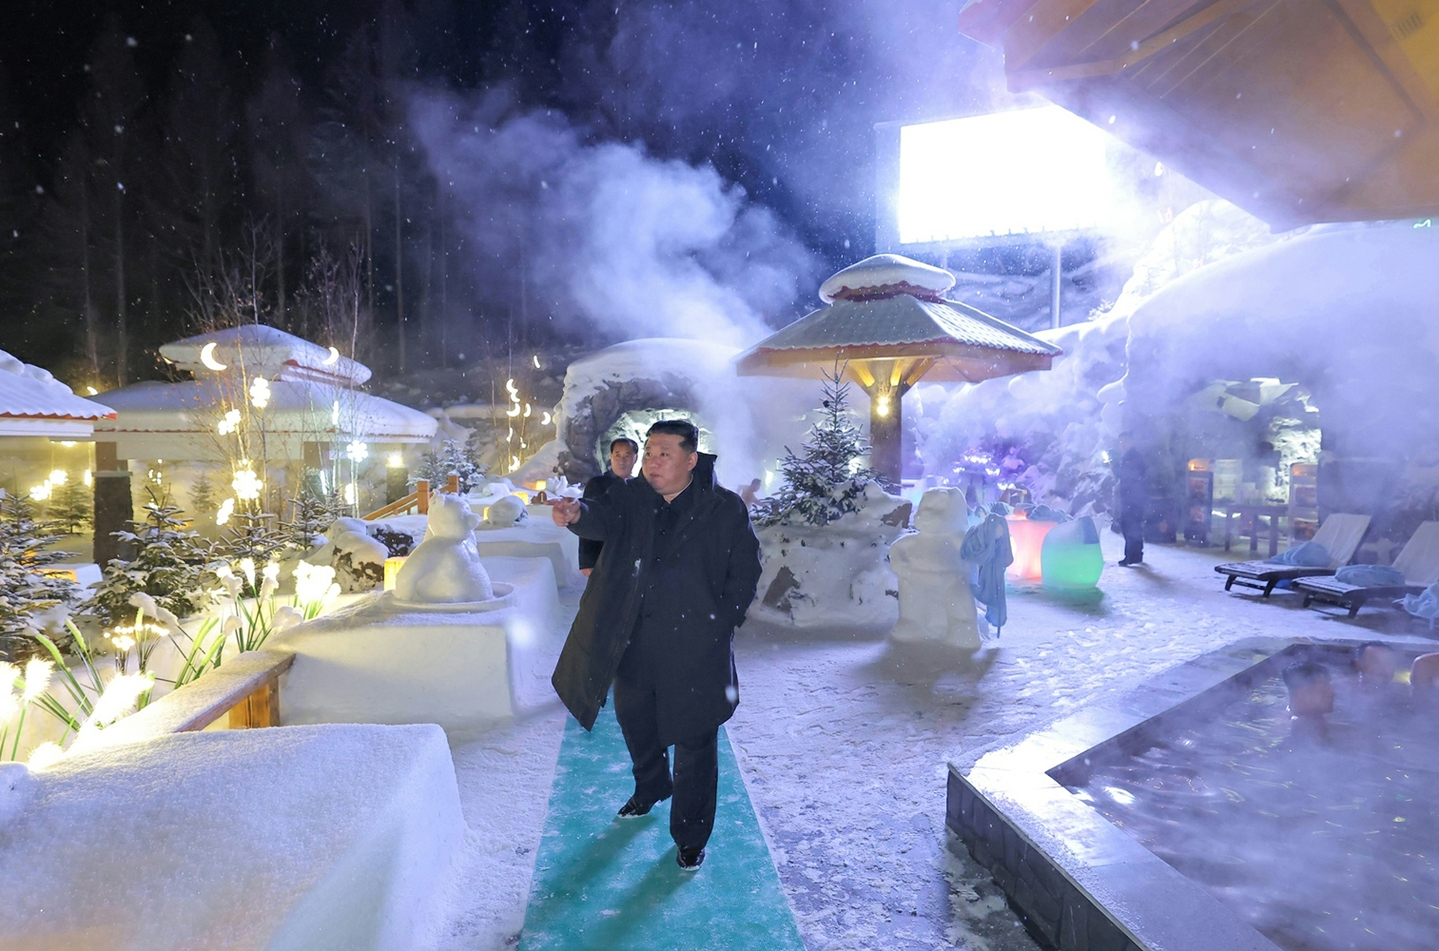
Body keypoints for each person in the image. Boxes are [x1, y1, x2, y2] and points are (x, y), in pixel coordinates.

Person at [550, 420, 762, 871]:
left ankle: (690, 835)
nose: (652, 462)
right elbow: (599, 517)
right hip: (635, 640)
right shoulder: (631, 498)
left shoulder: (723, 508)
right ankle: (651, 786)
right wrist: (576, 515)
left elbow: (745, 570)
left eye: (665, 454)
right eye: (649, 453)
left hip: (696, 647)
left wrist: (722, 622)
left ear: (691, 459)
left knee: (694, 740)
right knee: (636, 722)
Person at [577, 437, 638, 577]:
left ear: (635, 458)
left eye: (627, 456)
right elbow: (587, 521)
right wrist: (587, 561)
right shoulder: (597, 484)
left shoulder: (639, 486)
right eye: (618, 455)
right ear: (611, 456)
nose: (622, 460)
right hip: (603, 556)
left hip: (631, 556)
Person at [1115, 432, 1148, 567]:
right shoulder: (1129, 457)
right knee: (1132, 527)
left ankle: (1130, 556)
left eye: (1125, 441)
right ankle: (1135, 555)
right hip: (1132, 497)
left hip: (1133, 498)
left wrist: (1115, 469)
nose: (1122, 445)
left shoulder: (1133, 457)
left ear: (1132, 442)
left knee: (1130, 527)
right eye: (1120, 442)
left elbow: (1129, 475)